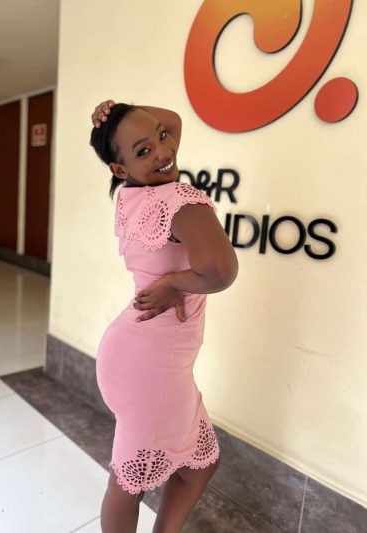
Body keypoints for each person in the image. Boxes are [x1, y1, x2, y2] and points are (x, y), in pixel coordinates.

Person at [90, 99, 239, 532]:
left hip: (136, 356)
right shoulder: (180, 200)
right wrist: (175, 284)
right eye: (144, 150)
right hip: (152, 369)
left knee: (200, 463)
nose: (163, 150)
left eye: (160, 138)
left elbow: (169, 122)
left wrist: (118, 111)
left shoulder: (132, 193)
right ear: (120, 168)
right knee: (128, 483)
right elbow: (221, 271)